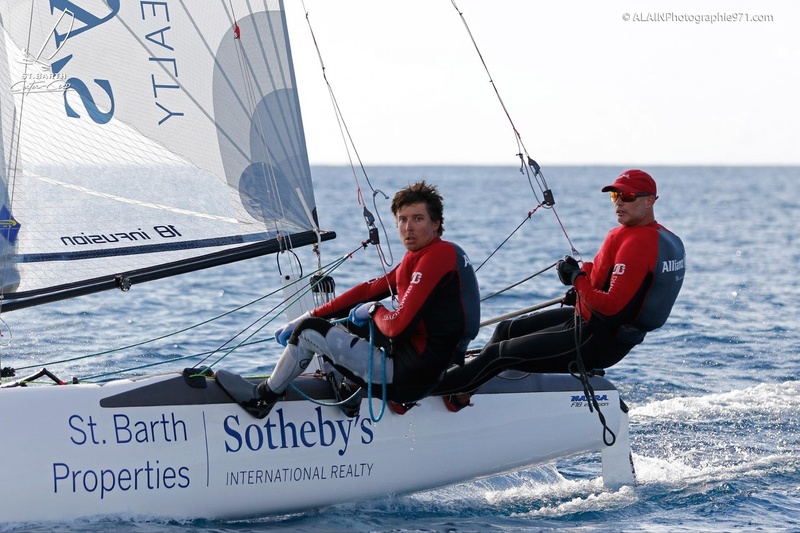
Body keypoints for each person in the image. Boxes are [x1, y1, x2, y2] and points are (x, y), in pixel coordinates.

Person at [218, 181, 480, 419]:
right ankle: (350, 393)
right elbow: (369, 289)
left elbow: (396, 325)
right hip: (424, 374)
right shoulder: (427, 255)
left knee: (309, 333)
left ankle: (262, 397)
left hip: (404, 380)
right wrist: (313, 313)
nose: (408, 228)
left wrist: (373, 310)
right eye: (402, 220)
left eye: (418, 219)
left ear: (436, 224)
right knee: (347, 323)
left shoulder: (437, 256)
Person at [434, 169, 685, 411]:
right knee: (505, 329)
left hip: (599, 338)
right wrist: (582, 281)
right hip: (591, 321)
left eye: (627, 197)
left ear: (650, 201)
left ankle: (422, 391)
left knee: (498, 355)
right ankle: (467, 389)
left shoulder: (638, 243)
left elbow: (612, 306)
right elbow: (625, 287)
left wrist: (576, 279)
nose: (619, 202)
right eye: (614, 196)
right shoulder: (654, 236)